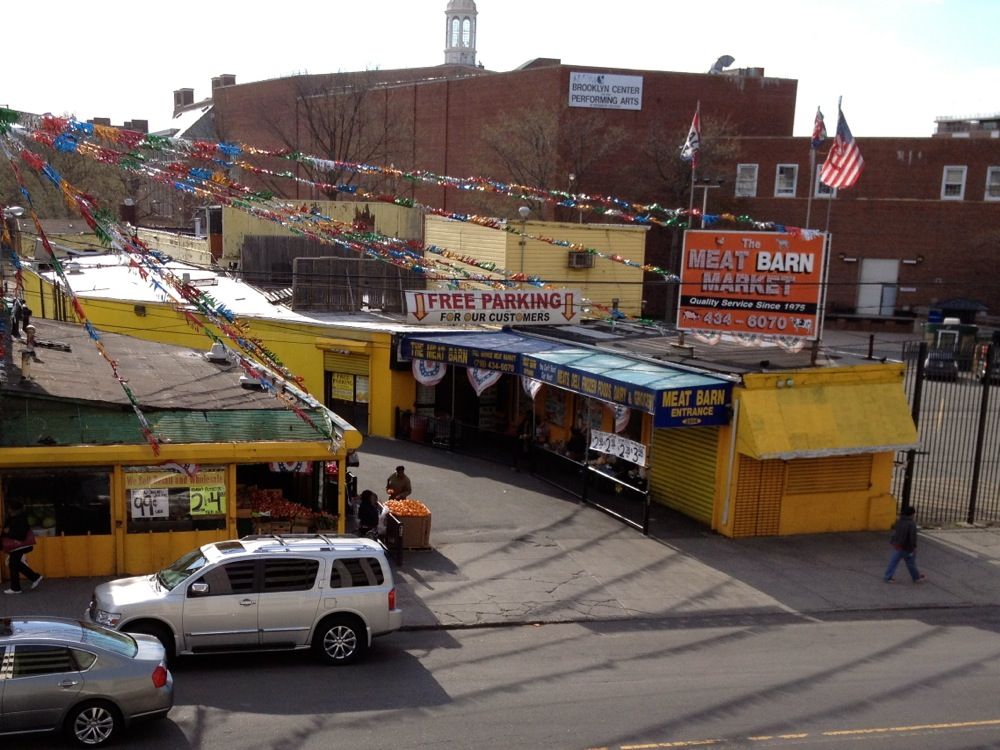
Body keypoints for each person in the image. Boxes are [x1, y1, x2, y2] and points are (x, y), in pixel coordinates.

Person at [2, 501, 43, 594]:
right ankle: (34, 577)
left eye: (9, 508)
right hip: (18, 546)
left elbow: (21, 535)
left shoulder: (20, 519)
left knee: (13, 563)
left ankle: (16, 588)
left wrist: (8, 532)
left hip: (20, 545)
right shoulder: (14, 518)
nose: (8, 509)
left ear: (13, 509)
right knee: (14, 563)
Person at [884, 505, 926, 583]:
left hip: (898, 545)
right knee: (911, 562)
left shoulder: (899, 521)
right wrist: (913, 547)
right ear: (912, 514)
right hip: (906, 546)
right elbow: (912, 537)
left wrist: (894, 542)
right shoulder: (911, 524)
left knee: (894, 561)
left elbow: (895, 531)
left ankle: (888, 576)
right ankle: (916, 577)